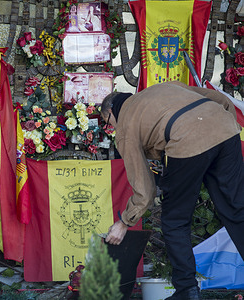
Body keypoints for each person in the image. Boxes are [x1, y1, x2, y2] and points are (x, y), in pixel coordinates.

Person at [101, 81, 244, 300]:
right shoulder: (164, 88)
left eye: (108, 123)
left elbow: (145, 190)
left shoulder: (125, 127)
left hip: (186, 139)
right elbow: (221, 100)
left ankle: (187, 290)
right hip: (225, 129)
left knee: (175, 220)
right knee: (237, 210)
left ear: (111, 112)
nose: (111, 129)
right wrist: (220, 131)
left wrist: (124, 222)